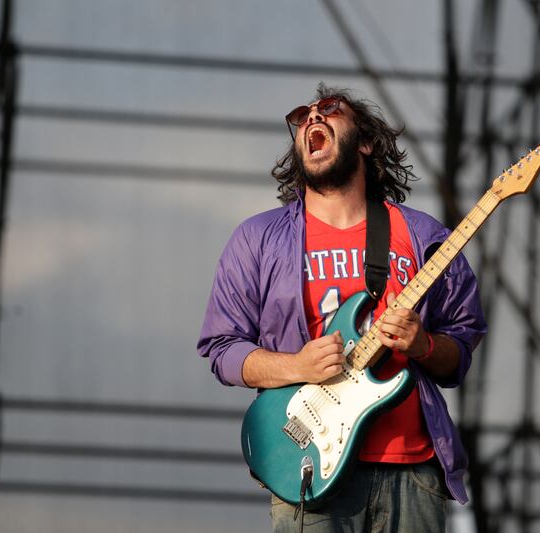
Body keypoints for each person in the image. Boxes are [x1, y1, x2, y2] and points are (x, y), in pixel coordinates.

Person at [197, 84, 486, 532]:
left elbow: (460, 352)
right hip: (309, 468)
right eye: (302, 115)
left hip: (411, 471)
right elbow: (223, 349)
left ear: (365, 142)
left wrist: (424, 344)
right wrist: (297, 365)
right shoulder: (257, 240)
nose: (313, 117)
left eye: (330, 110)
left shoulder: (426, 238)